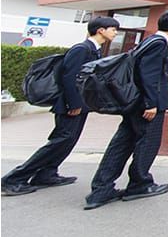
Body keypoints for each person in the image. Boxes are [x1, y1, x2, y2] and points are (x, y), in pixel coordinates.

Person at [1, 17, 120, 197]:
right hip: (70, 105)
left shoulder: (94, 50)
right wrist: (74, 103)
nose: (115, 33)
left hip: (81, 105)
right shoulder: (82, 49)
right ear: (100, 30)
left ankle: (47, 174)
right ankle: (13, 179)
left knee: (67, 141)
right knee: (60, 141)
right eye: (113, 29)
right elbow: (69, 77)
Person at [84, 10, 168, 210]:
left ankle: (101, 190)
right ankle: (139, 184)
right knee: (148, 143)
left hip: (133, 104)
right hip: (146, 106)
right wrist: (151, 103)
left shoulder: (148, 41)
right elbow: (149, 74)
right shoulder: (159, 44)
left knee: (121, 144)